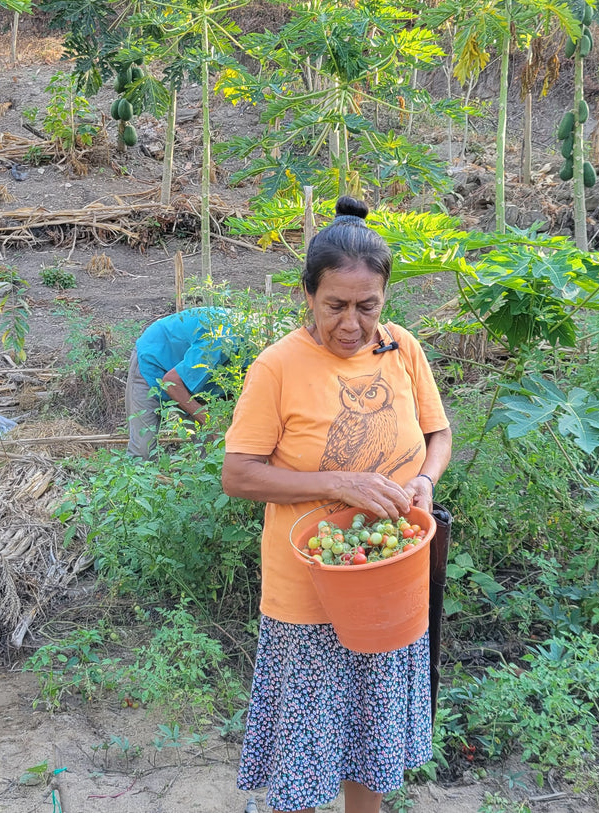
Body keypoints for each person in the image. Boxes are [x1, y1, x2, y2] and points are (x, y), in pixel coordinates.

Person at [221, 196, 453, 813]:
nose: (352, 323)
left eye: (368, 306)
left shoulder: (402, 349)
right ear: (308, 295)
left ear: (385, 300)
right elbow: (239, 475)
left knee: (370, 742)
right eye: (336, 306)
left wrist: (426, 480)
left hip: (390, 582)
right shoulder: (277, 367)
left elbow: (438, 434)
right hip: (311, 591)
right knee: (306, 750)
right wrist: (338, 484)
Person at [125, 305, 238, 459]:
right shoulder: (222, 338)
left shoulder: (256, 347)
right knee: (143, 451)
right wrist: (210, 420)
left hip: (196, 378)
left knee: (212, 448)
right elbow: (170, 382)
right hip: (154, 360)